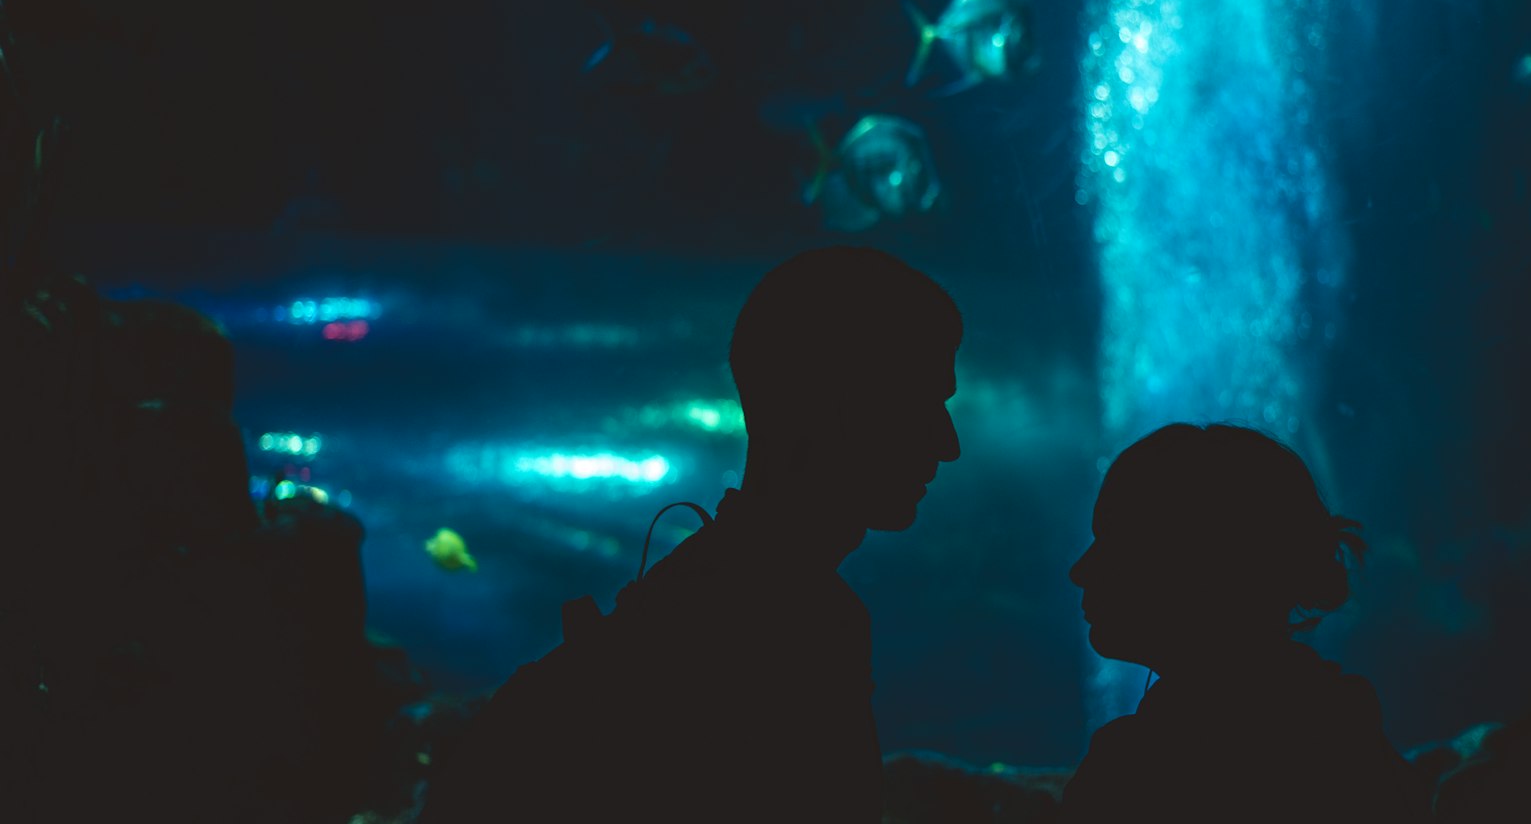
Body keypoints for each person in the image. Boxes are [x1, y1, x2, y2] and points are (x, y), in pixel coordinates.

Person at [421, 245, 962, 822]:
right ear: (841, 409)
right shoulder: (787, 629)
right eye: (924, 403)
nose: (947, 444)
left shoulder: (696, 607)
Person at [1062, 423, 1429, 821]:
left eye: (1113, 543)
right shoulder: (1345, 727)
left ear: (1196, 564)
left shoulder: (1133, 773)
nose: (1080, 571)